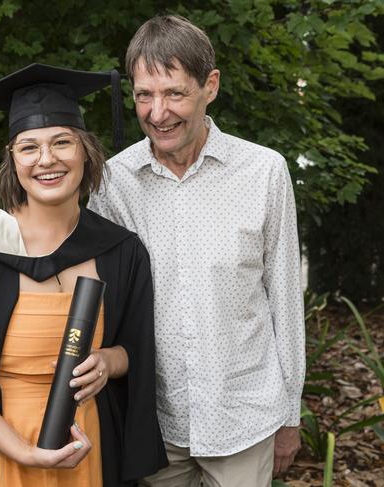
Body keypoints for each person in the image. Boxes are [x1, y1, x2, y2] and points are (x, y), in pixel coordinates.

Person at [0, 63, 167, 487]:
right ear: (12, 159)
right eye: (29, 147)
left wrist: (109, 361)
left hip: (90, 451)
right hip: (5, 455)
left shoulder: (121, 251)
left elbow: (136, 351)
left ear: (86, 151)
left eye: (62, 142)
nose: (46, 159)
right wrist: (25, 452)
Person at [88, 15, 306, 487]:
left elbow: (285, 301)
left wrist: (290, 415)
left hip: (243, 418)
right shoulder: (112, 182)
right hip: (155, 421)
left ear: (211, 86)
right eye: (144, 95)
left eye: (174, 93)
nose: (157, 112)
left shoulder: (265, 173)